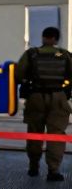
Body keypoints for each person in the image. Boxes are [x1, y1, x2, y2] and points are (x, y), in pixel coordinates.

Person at [16, 26, 71, 181]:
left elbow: (19, 74)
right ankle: (53, 170)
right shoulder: (65, 55)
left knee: (34, 132)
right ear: (56, 39)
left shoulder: (31, 54)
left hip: (36, 97)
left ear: (43, 37)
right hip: (58, 97)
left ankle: (33, 167)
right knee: (57, 134)